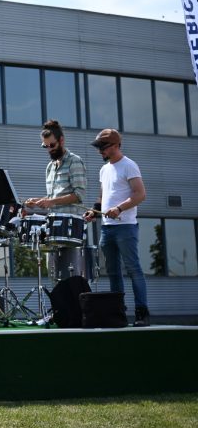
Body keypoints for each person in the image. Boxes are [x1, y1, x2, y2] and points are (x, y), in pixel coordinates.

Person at [83, 129, 150, 327]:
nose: (99, 152)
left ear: (114, 146)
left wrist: (119, 208)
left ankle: (142, 313)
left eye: (102, 148)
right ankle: (117, 313)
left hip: (126, 227)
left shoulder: (129, 165)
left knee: (133, 269)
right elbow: (102, 196)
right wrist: (95, 212)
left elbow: (140, 194)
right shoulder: (104, 170)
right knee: (112, 272)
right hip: (107, 228)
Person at [24, 120, 87, 281]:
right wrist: (38, 201)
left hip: (70, 230)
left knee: (70, 278)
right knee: (54, 277)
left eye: (52, 145)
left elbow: (79, 195)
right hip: (53, 229)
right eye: (45, 146)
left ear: (61, 141)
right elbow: (53, 197)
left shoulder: (75, 161)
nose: (49, 149)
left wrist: (51, 202)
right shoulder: (49, 167)